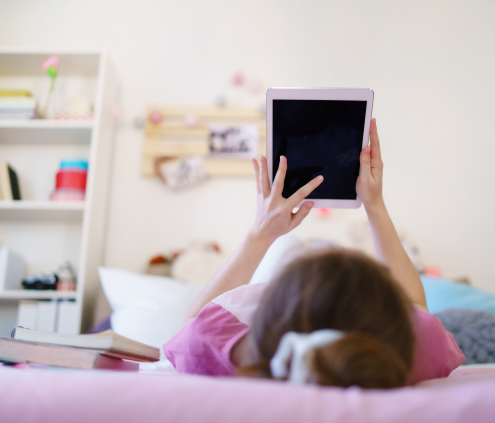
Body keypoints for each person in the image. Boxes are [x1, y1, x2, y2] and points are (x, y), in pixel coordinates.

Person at [164, 119, 465, 389]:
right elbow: (415, 307)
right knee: (295, 250)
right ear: (382, 310)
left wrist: (261, 235)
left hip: (285, 304)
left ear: (273, 310)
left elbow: (192, 326)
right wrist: (374, 205)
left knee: (286, 248)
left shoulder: (249, 358)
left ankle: (290, 256)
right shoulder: (405, 354)